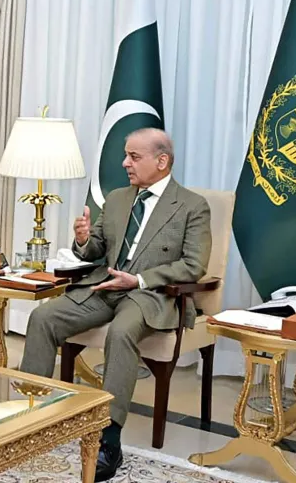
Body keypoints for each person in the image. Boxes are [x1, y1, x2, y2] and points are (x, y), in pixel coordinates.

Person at [19, 128, 211, 481]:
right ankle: (31, 417)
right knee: (44, 316)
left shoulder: (192, 206)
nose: (125, 163)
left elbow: (193, 265)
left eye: (134, 157)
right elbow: (97, 251)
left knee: (122, 333)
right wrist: (82, 240)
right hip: (104, 287)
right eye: (126, 155)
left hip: (150, 295)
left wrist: (138, 279)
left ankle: (109, 438)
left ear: (162, 161)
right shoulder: (119, 198)